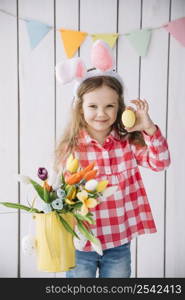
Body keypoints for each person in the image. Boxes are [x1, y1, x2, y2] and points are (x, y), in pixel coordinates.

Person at [53, 40, 171, 278]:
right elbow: (59, 192)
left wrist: (148, 129)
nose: (101, 113)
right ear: (80, 109)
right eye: (93, 106)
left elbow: (161, 163)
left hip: (118, 241)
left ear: (119, 108)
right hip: (81, 243)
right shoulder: (72, 147)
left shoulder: (127, 142)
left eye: (109, 106)